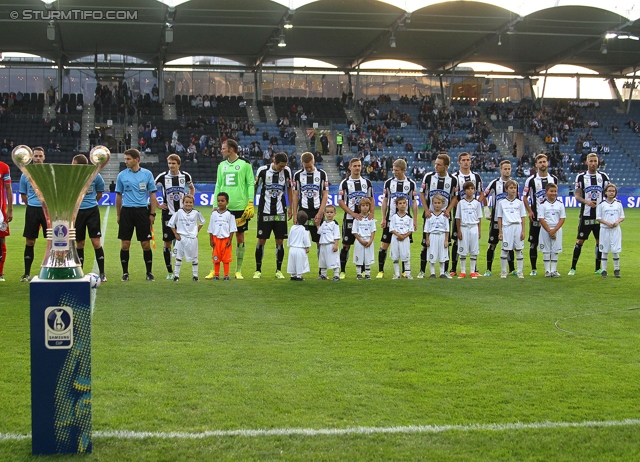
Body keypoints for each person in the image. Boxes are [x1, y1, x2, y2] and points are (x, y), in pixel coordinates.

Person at [208, 139, 255, 280]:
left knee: (239, 237)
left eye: (223, 148)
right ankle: (213, 269)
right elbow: (218, 185)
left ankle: (238, 270)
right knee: (217, 237)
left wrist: (251, 202)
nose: (221, 150)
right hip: (223, 208)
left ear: (231, 149)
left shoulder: (245, 164)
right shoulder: (221, 165)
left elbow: (250, 184)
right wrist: (214, 205)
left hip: (240, 207)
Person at [115, 148, 158, 281]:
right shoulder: (122, 175)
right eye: (125, 159)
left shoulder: (147, 174)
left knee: (145, 244)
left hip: (142, 212)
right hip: (126, 212)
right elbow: (118, 196)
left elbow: (152, 195)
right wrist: (118, 214)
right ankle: (125, 273)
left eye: (128, 159)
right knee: (125, 244)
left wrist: (152, 214)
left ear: (136, 160)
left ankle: (149, 273)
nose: (126, 161)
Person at [154, 154, 195, 279]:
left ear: (179, 164)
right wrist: (158, 205)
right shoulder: (162, 177)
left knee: (183, 241)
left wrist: (190, 201)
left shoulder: (186, 176)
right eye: (169, 163)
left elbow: (191, 188)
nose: (171, 166)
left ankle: (182, 269)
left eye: (173, 163)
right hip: (168, 215)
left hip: (183, 215)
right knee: (167, 243)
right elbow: (151, 190)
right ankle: (169, 272)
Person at [568, 153, 610, 276]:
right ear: (586, 162)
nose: (593, 163)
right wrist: (586, 201)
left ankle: (598, 268)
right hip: (586, 215)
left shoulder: (603, 176)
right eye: (590, 161)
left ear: (598, 163)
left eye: (595, 161)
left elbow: (609, 193)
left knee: (599, 241)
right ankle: (573, 268)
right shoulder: (580, 177)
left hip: (600, 216)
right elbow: (577, 196)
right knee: (580, 240)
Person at [253, 152, 292, 279]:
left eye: (284, 166)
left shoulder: (287, 171)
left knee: (280, 240)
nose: (282, 168)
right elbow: (254, 187)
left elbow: (290, 189)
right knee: (261, 240)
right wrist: (250, 204)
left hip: (280, 212)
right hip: (265, 211)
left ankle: (278, 270)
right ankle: (258, 270)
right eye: (281, 166)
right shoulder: (262, 170)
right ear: (274, 161)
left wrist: (291, 207)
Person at [418, 153, 458, 278]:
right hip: (430, 216)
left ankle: (444, 272)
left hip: (444, 217)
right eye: (435, 164)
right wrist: (426, 210)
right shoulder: (428, 177)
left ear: (446, 166)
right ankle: (423, 271)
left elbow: (455, 196)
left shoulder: (453, 180)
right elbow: (422, 194)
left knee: (446, 244)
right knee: (426, 243)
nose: (436, 166)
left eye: (439, 165)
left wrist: (449, 210)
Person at [377, 159, 418, 278]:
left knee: (405, 244)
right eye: (393, 170)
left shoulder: (411, 183)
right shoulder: (389, 183)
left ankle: (405, 271)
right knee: (384, 244)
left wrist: (414, 220)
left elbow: (414, 202)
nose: (394, 172)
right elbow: (385, 200)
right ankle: (381, 270)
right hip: (391, 219)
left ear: (404, 170)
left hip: (405, 221)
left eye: (397, 170)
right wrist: (383, 218)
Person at [72, 154, 107, 282]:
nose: (72, 167)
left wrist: (91, 202)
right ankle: (79, 272)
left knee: (96, 242)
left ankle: (102, 273)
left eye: (74, 165)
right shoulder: (72, 177)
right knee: (80, 243)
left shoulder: (95, 176)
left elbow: (99, 193)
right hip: (77, 213)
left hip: (92, 211)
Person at [338, 157, 374, 279]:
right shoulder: (344, 183)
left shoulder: (367, 183)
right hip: (350, 218)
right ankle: (342, 271)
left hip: (364, 219)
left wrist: (372, 213)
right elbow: (341, 202)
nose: (357, 168)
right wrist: (353, 214)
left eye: (359, 165)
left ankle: (363, 271)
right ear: (350, 167)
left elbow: (371, 199)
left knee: (364, 243)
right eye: (355, 166)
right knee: (346, 244)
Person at [523, 153, 558, 276]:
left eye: (544, 161)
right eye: (540, 162)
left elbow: (555, 196)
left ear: (547, 163)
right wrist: (530, 211)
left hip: (551, 218)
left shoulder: (553, 179)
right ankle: (533, 269)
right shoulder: (531, 180)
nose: (543, 164)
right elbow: (524, 197)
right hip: (536, 217)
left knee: (552, 242)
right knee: (534, 242)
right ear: (536, 164)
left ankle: (551, 269)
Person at [449, 152, 484, 277]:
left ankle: (474, 270)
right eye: (463, 160)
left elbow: (482, 193)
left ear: (471, 162)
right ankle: (453, 269)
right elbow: (452, 195)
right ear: (459, 162)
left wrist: (475, 203)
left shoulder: (476, 176)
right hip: (459, 211)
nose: (466, 162)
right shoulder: (454, 177)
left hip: (472, 211)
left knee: (473, 242)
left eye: (468, 160)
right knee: (457, 239)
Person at [483, 160, 516, 277]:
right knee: (492, 243)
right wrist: (487, 211)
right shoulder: (494, 183)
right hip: (496, 220)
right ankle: (488, 269)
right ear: (500, 170)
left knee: (509, 245)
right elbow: (483, 195)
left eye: (509, 168)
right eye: (505, 169)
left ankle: (512, 269)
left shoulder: (514, 184)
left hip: (510, 221)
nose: (507, 171)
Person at [19, 147, 47, 282]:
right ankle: (26, 273)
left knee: (52, 241)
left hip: (47, 210)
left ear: (44, 157)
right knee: (30, 241)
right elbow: (23, 194)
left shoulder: (49, 172)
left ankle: (50, 269)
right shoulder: (26, 174)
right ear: (31, 157)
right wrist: (31, 205)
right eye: (35, 156)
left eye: (40, 156)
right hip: (32, 210)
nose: (38, 158)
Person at [291, 151, 329, 248]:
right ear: (301, 163)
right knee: (301, 243)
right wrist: (295, 214)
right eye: (305, 167)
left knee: (320, 242)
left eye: (310, 166)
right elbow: (295, 195)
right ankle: (302, 263)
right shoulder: (297, 175)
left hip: (317, 210)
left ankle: (321, 263)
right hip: (303, 211)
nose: (308, 169)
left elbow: (325, 195)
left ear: (314, 161)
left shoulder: (322, 174)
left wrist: (320, 213)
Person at [168, 194, 205, 282]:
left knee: (194, 258)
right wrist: (175, 234)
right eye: (186, 202)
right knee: (178, 257)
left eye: (190, 202)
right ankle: (176, 276)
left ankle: (195, 276)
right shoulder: (179, 212)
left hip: (192, 238)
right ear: (183, 202)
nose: (188, 204)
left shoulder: (196, 212)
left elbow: (202, 222)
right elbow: (171, 224)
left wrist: (196, 231)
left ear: (193, 203)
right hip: (181, 238)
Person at [496, 180, 526, 279]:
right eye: (511, 188)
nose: (513, 190)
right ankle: (504, 271)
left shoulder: (520, 203)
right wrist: (500, 232)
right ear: (506, 189)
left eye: (515, 188)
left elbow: (523, 217)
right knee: (505, 249)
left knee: (518, 249)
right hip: (507, 227)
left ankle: (520, 271)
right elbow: (499, 217)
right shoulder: (501, 203)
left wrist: (523, 231)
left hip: (517, 227)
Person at [455, 181, 482, 279]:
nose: (470, 191)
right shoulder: (461, 203)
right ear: (465, 190)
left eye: (472, 189)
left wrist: (479, 230)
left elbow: (479, 218)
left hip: (474, 227)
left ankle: (472, 271)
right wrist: (459, 230)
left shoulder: (477, 203)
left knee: (474, 249)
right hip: (464, 227)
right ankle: (462, 271)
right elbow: (458, 218)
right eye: (468, 189)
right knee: (463, 249)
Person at [207, 192, 238, 281]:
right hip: (216, 239)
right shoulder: (214, 214)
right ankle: (216, 274)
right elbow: (211, 228)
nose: (220, 202)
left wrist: (230, 240)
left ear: (227, 202)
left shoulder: (230, 214)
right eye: (219, 201)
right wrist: (211, 239)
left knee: (226, 258)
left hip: (226, 239)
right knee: (216, 257)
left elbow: (232, 228)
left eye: (222, 201)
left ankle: (226, 275)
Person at [596, 183, 624, 278]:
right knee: (604, 250)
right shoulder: (601, 205)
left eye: (613, 191)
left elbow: (622, 217)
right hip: (605, 230)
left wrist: (617, 222)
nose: (611, 193)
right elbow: (598, 217)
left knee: (615, 250)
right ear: (605, 192)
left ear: (615, 192)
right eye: (609, 191)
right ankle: (604, 270)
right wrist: (607, 223)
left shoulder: (618, 204)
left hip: (615, 230)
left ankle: (617, 269)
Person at [538, 183, 565, 278]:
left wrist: (555, 230)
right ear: (546, 192)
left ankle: (553, 270)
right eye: (551, 191)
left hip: (557, 228)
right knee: (546, 250)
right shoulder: (542, 205)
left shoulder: (560, 204)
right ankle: (547, 271)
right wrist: (550, 231)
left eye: (555, 191)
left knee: (555, 250)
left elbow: (562, 218)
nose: (553, 193)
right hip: (546, 229)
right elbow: (541, 219)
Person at [424, 194, 450, 279]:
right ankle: (432, 273)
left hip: (442, 236)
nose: (437, 204)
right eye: (435, 203)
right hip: (433, 236)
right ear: (432, 203)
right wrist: (427, 239)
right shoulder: (429, 215)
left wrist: (446, 240)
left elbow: (447, 229)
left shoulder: (445, 215)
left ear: (442, 203)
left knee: (442, 255)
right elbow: (426, 229)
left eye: (439, 203)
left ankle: (442, 273)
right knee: (432, 254)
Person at [389, 197, 414, 279]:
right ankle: (397, 274)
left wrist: (404, 236)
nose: (402, 205)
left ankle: (408, 273)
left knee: (406, 255)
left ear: (406, 205)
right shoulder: (394, 217)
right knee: (395, 256)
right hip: (396, 238)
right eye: (400, 203)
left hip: (405, 239)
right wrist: (399, 235)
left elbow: (411, 229)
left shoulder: (409, 217)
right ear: (396, 206)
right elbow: (391, 228)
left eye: (404, 203)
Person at [352, 198, 376, 280]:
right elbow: (354, 232)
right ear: (359, 207)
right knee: (359, 257)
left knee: (368, 257)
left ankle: (367, 274)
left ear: (369, 207)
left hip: (368, 240)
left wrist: (371, 241)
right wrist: (361, 241)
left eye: (367, 205)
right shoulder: (357, 219)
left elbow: (373, 231)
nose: (365, 207)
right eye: (363, 205)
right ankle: (358, 274)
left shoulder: (371, 219)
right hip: (360, 241)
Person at [316, 205, 341, 281]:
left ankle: (336, 275)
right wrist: (317, 225)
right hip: (323, 245)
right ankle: (323, 274)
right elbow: (320, 231)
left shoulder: (335, 224)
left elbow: (337, 235)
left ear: (334, 213)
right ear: (324, 213)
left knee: (334, 260)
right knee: (323, 260)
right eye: (327, 212)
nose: (329, 214)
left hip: (331, 244)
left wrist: (336, 245)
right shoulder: (324, 223)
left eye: (331, 212)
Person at [287, 210, 311, 281]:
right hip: (300, 248)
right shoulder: (304, 229)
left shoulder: (293, 227)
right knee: (300, 262)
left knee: (292, 261)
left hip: (292, 248)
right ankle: (299, 276)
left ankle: (293, 274)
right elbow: (306, 239)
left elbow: (290, 237)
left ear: (296, 219)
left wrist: (289, 244)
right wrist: (307, 247)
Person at [0, 158, 12, 281]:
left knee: (1, 240)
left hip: (0, 212)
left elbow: (8, 188)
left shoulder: (4, 167)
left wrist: (10, 210)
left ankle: (0, 272)